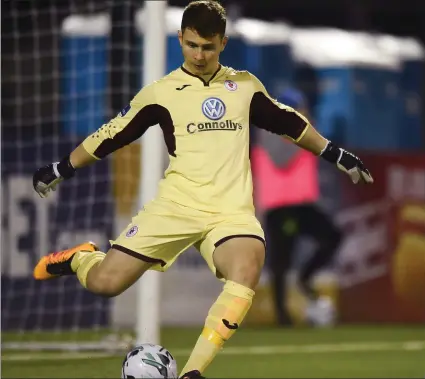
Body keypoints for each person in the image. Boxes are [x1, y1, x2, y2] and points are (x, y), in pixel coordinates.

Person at [32, 1, 373, 378]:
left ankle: (192, 372)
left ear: (223, 43)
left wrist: (335, 153)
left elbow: (288, 122)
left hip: (230, 214)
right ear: (180, 39)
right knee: (105, 283)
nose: (198, 54)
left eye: (208, 47)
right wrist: (61, 167)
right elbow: (112, 134)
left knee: (247, 268)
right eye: (192, 45)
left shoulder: (243, 87)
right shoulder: (162, 93)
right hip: (176, 206)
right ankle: (82, 258)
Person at [252, 88, 342, 326]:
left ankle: (306, 277)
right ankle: (282, 316)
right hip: (279, 206)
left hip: (302, 204)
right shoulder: (269, 131)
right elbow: (281, 160)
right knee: (282, 260)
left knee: (332, 236)